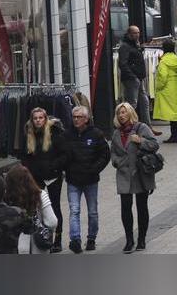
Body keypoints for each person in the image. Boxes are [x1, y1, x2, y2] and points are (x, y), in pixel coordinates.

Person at [110, 101, 161, 253]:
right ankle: (129, 240)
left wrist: (141, 141)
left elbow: (154, 144)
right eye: (119, 113)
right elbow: (113, 151)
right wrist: (116, 162)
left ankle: (141, 239)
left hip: (140, 173)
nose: (121, 115)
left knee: (141, 207)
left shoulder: (141, 127)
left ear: (130, 113)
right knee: (125, 208)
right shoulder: (116, 132)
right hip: (124, 173)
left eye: (124, 112)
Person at [63, 104, 110, 254]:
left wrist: (95, 169)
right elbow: (62, 154)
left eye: (79, 117)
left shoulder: (96, 134)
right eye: (74, 117)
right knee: (74, 210)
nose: (76, 120)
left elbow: (105, 155)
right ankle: (75, 240)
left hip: (90, 180)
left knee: (92, 212)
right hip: (73, 180)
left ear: (86, 118)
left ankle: (91, 238)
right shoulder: (67, 134)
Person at [20, 106, 68, 252]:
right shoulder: (28, 134)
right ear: (32, 120)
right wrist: (29, 172)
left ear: (45, 119)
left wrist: (55, 167)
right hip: (36, 178)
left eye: (41, 118)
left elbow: (65, 154)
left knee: (55, 207)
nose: (38, 120)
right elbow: (25, 157)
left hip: (53, 176)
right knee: (38, 209)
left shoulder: (55, 132)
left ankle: (57, 240)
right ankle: (42, 237)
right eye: (35, 118)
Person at [3, 165, 57, 254]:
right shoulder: (40, 195)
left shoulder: (7, 199)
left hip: (14, 247)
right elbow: (52, 222)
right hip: (38, 247)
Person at [117, 25, 155, 129]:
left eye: (138, 33)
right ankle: (128, 127)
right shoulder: (125, 46)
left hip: (138, 78)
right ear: (129, 34)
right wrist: (133, 77)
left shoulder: (135, 44)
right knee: (132, 104)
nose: (137, 35)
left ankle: (148, 127)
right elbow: (122, 64)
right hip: (131, 79)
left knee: (144, 102)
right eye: (135, 33)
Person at [153, 39, 177, 143]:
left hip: (166, 89)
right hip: (176, 88)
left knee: (171, 114)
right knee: (176, 113)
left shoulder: (163, 61)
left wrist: (158, 87)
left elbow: (163, 76)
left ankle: (174, 136)